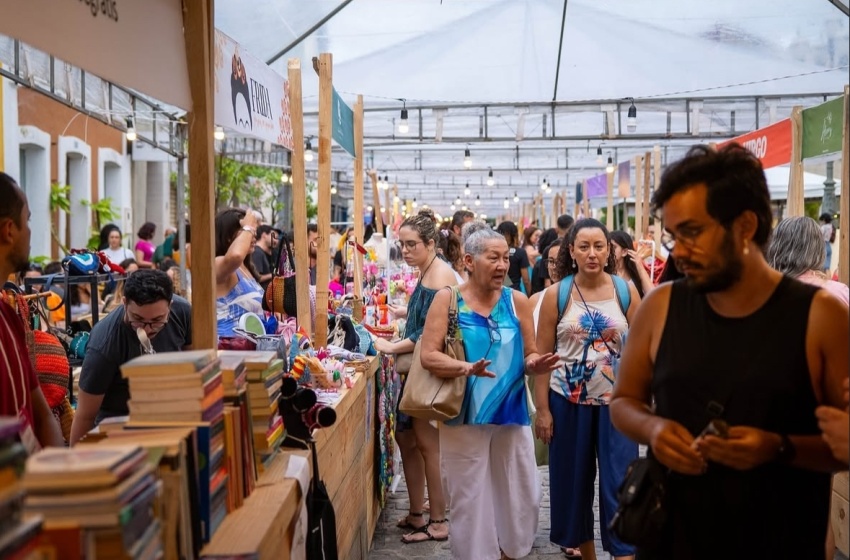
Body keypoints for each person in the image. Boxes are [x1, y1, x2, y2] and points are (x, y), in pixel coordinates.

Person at [609, 145, 849, 560]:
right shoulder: (661, 307)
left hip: (781, 536)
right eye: (672, 235)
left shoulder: (819, 316)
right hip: (674, 535)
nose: (677, 251)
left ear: (744, 226)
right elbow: (624, 401)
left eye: (691, 232)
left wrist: (776, 447)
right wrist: (654, 430)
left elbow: (841, 442)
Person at [419, 221, 560, 560]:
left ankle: (510, 551)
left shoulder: (517, 301)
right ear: (468, 261)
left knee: (520, 489)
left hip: (510, 413)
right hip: (464, 415)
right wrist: (464, 368)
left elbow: (529, 353)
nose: (502, 266)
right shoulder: (447, 299)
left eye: (505, 258)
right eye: (493, 258)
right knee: (469, 496)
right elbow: (428, 355)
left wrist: (535, 364)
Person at [534, 218, 641, 560]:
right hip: (567, 403)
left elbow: (641, 351)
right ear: (571, 252)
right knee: (573, 485)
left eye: (599, 246)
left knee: (621, 485)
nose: (592, 254)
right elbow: (543, 358)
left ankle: (623, 553)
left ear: (610, 250)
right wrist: (543, 410)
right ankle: (588, 554)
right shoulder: (557, 294)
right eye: (584, 247)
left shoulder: (625, 292)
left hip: (618, 407)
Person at [371, 208, 456, 544]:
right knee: (409, 441)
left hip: (427, 373)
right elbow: (421, 317)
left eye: (411, 245)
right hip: (418, 371)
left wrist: (391, 347)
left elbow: (427, 332)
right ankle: (419, 511)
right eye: (402, 245)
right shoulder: (428, 271)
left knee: (427, 445)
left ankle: (438, 520)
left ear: (431, 243)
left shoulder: (438, 276)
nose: (405, 251)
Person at [70, 269, 192, 444]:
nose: (148, 328)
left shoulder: (183, 313)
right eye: (138, 319)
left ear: (170, 305)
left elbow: (196, 366)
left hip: (171, 418)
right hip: (120, 429)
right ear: (124, 303)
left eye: (157, 320)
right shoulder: (105, 343)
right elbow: (85, 416)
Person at [0, 173, 65, 451]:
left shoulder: (9, 315)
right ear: (9, 230)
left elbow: (39, 412)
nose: (29, 231)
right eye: (27, 221)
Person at [767, 216, 849, 306]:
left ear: (775, 247)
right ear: (819, 249)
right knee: (827, 267)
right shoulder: (840, 292)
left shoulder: (761, 295)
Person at [214, 208, 264, 339]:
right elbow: (235, 255)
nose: (253, 235)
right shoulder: (218, 264)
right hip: (229, 352)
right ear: (228, 237)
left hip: (250, 352)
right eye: (244, 230)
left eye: (254, 230)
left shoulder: (246, 268)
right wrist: (249, 226)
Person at [611, 230, 653, 299]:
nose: (609, 251)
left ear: (624, 252)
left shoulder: (635, 274)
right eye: (608, 247)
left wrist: (640, 268)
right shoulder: (605, 272)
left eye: (614, 247)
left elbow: (653, 295)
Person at [496, 221, 531, 294]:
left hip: (496, 292)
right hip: (514, 293)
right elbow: (526, 280)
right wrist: (529, 295)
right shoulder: (520, 252)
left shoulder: (493, 251)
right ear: (515, 235)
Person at [530, 228, 560, 295]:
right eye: (551, 261)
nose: (554, 266)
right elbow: (547, 283)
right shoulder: (547, 252)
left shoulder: (539, 262)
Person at [252, 224, 277, 290]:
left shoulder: (261, 252)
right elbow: (256, 277)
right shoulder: (257, 253)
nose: (276, 241)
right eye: (274, 237)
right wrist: (275, 274)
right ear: (264, 235)